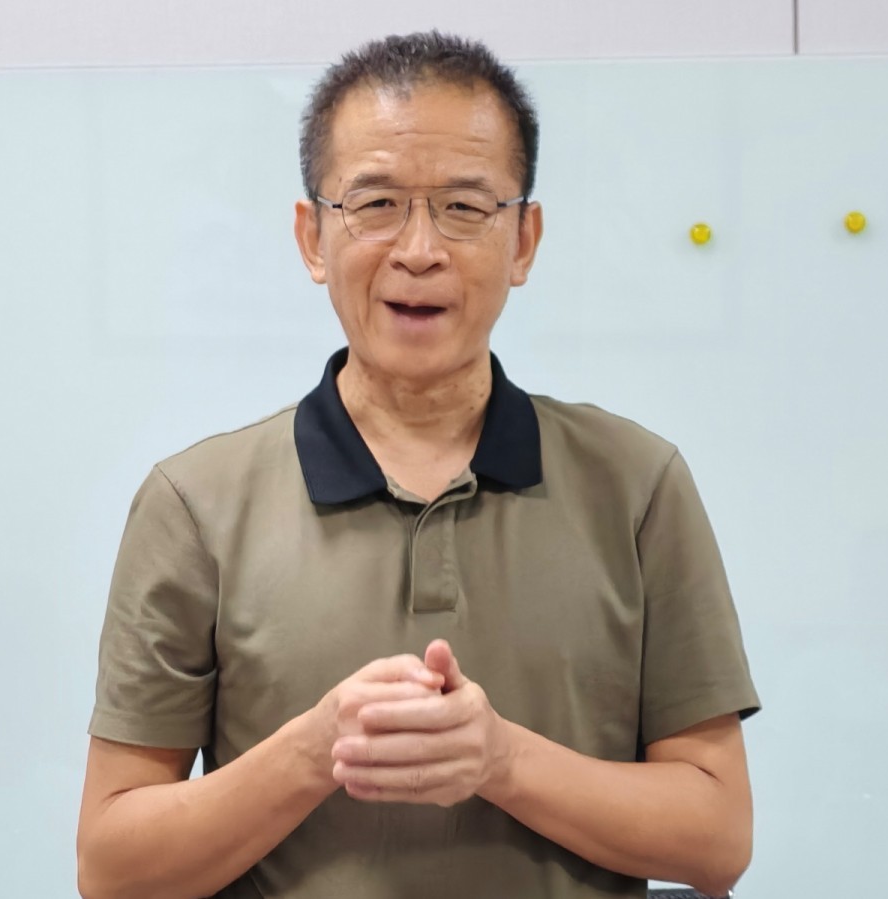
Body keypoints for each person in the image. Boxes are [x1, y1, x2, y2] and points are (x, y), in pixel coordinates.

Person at [76, 30, 760, 899]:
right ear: (312, 236)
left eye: (465, 207)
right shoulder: (195, 505)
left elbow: (717, 838)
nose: (419, 249)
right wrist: (316, 748)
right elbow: (111, 867)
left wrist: (501, 758)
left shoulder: (637, 485)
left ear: (524, 240)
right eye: (376, 204)